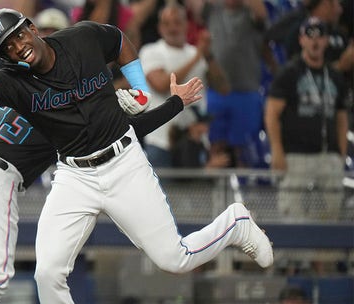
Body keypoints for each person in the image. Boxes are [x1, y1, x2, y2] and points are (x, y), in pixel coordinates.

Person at [0, 8, 273, 304]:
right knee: (46, 274)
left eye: (17, 35)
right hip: (74, 174)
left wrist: (143, 88)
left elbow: (119, 42)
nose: (16, 45)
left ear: (32, 28)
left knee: (174, 259)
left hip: (124, 164)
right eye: (6, 46)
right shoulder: (14, 83)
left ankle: (235, 222)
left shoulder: (81, 39)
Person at [264, 17, 348, 221]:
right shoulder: (290, 73)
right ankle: (292, 255)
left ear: (326, 40)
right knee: (292, 216)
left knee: (332, 217)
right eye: (310, 37)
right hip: (296, 157)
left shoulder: (335, 76)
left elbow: (341, 117)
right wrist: (277, 151)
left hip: (328, 156)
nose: (315, 42)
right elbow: (272, 113)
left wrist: (341, 154)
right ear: (301, 40)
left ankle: (325, 254)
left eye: (320, 36)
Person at [139, 2, 229, 168]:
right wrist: (196, 58)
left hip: (194, 142)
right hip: (160, 141)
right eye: (166, 23)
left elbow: (223, 88)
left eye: (177, 22)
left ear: (187, 25)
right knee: (161, 193)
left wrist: (208, 56)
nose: (172, 28)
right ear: (159, 27)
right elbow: (161, 84)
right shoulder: (150, 51)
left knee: (193, 194)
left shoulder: (199, 53)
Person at [190, 0, 270, 167]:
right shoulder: (212, 10)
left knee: (245, 150)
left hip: (246, 92)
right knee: (215, 146)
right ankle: (217, 189)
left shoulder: (252, 12)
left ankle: (245, 190)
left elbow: (262, 13)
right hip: (216, 92)